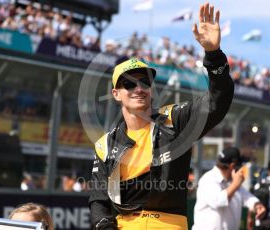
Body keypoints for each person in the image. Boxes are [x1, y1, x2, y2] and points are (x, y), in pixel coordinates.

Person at [88, 2, 234, 230]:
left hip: (169, 224)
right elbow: (99, 200)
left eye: (145, 81)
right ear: (116, 94)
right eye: (129, 83)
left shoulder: (174, 119)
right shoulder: (105, 144)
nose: (138, 88)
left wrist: (213, 55)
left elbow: (218, 99)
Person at [192, 147, 266, 230]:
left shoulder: (232, 181)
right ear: (233, 166)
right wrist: (235, 184)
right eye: (241, 166)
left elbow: (248, 198)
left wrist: (257, 206)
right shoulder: (208, 179)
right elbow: (218, 202)